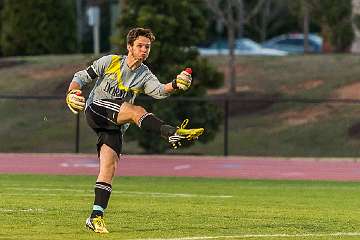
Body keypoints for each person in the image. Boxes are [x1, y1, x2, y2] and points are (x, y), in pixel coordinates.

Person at [65, 27, 204, 234]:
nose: (144, 50)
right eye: (139, 46)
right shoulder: (110, 61)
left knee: (108, 168)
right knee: (134, 110)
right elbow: (81, 76)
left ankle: (95, 217)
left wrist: (176, 84)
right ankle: (169, 131)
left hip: (115, 124)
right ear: (129, 47)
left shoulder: (144, 74)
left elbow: (159, 91)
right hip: (96, 109)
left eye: (147, 47)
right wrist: (72, 92)